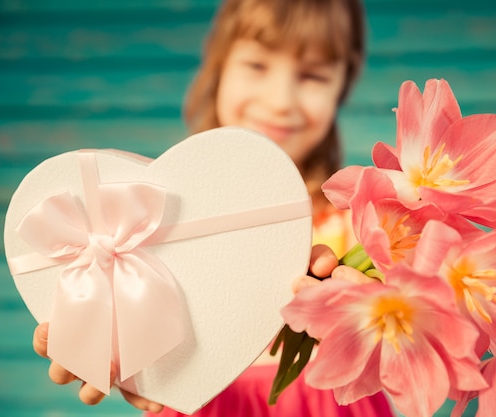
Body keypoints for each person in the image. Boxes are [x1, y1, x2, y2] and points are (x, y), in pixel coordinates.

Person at [33, 0, 395, 415]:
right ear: (220, 66)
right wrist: (121, 347)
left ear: (342, 86)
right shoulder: (151, 218)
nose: (280, 100)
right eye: (257, 65)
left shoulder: (361, 220)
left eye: (313, 75)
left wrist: (377, 320)